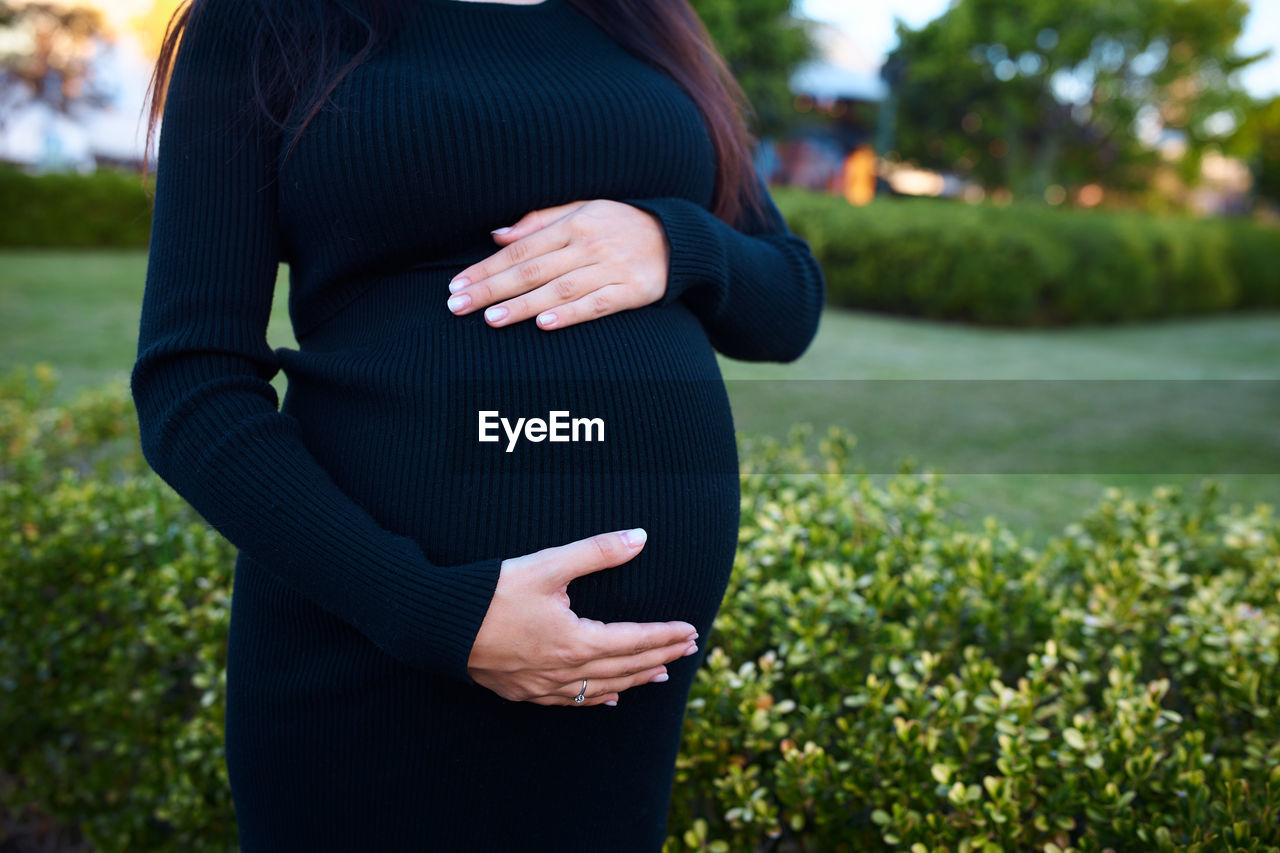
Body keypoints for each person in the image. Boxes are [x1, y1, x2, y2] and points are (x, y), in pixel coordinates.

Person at [132, 0, 825, 848]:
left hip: (613, 699)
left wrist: (674, 241)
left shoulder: (643, 18)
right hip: (370, 665)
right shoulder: (267, 19)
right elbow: (190, 381)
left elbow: (789, 302)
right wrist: (436, 612)